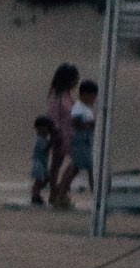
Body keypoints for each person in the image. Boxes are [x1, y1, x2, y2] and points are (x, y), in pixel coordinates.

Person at [40, 63, 80, 210]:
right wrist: (55, 135)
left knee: (60, 164)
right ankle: (57, 192)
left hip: (70, 135)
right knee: (62, 164)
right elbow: (53, 117)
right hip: (61, 136)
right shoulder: (57, 97)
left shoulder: (66, 95)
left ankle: (58, 191)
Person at [62, 79, 99, 203]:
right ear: (84, 94)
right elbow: (75, 123)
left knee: (87, 167)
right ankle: (61, 193)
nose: (94, 99)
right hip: (80, 140)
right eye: (93, 96)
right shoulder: (79, 107)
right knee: (78, 167)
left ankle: (96, 195)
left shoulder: (86, 108)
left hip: (86, 141)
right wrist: (89, 124)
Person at [30, 115, 57, 206]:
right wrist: (52, 141)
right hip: (38, 163)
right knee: (38, 181)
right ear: (40, 128)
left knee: (46, 179)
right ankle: (35, 196)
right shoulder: (40, 139)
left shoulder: (44, 138)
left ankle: (36, 193)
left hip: (42, 163)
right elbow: (45, 148)